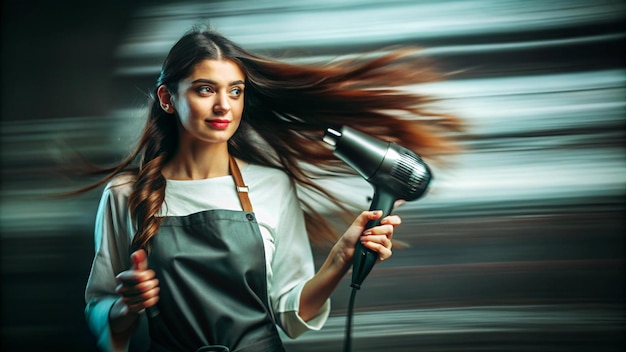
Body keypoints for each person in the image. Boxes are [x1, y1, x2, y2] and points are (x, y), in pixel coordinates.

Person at [83, 26, 460, 352]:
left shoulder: (271, 185)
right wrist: (125, 306)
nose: (222, 106)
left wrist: (341, 257)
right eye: (204, 90)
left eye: (235, 91)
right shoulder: (124, 194)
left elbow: (292, 316)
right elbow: (99, 308)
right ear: (168, 98)